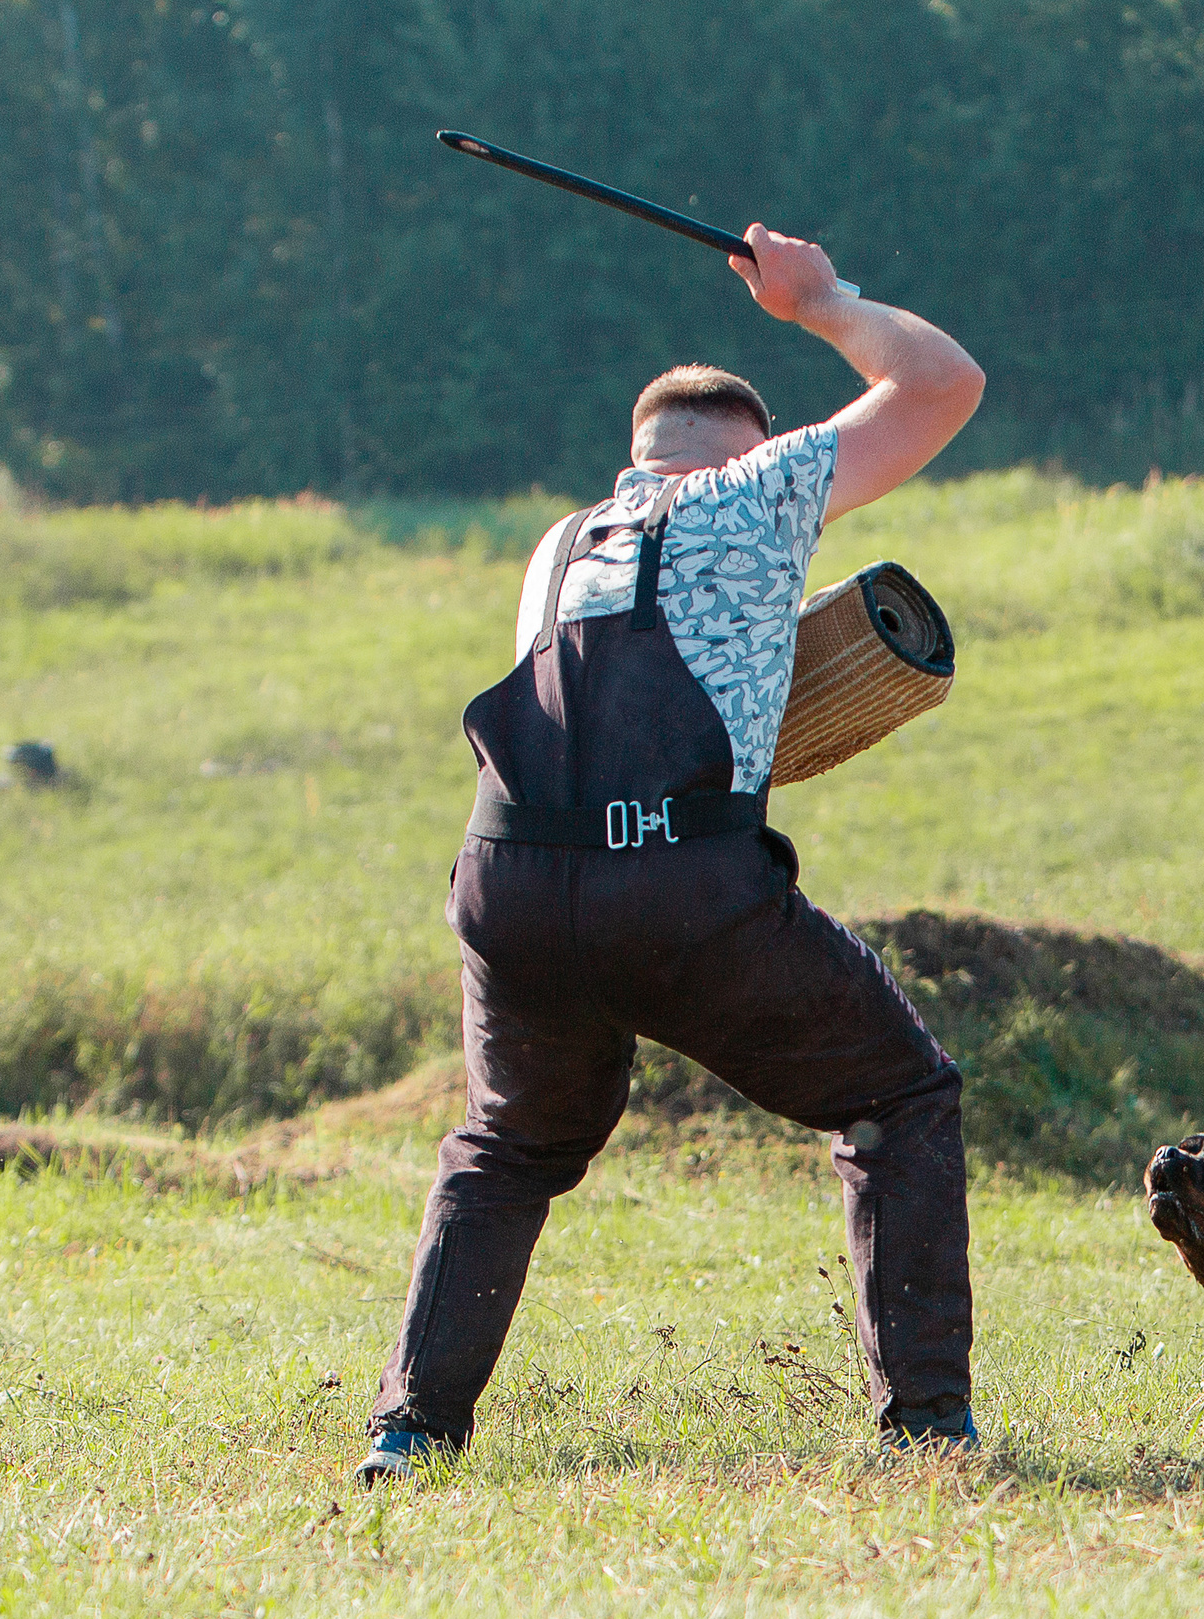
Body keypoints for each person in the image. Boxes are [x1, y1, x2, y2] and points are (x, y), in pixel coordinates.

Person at [356, 227, 986, 1484]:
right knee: (898, 1099)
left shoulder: (560, 543)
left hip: (512, 884)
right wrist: (822, 302)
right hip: (679, 889)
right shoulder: (752, 495)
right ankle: (923, 1424)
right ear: (751, 453)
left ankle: (410, 1432)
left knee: (507, 1146)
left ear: (635, 454)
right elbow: (941, 385)